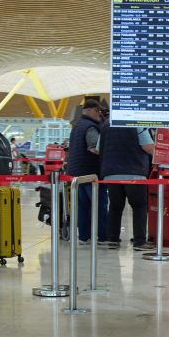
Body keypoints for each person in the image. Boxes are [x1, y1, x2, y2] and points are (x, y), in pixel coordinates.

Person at [99, 124, 155, 251]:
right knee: (139, 206)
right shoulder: (137, 123)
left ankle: (113, 239)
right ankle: (139, 241)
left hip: (111, 173)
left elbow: (98, 149)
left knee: (115, 206)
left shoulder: (106, 125)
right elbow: (148, 147)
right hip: (134, 173)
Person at [65, 99, 108, 244]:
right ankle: (103, 236)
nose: (100, 115)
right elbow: (94, 147)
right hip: (91, 173)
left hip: (77, 174)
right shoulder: (91, 127)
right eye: (97, 111)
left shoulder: (77, 126)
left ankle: (84, 236)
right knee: (99, 205)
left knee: (82, 207)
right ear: (89, 110)